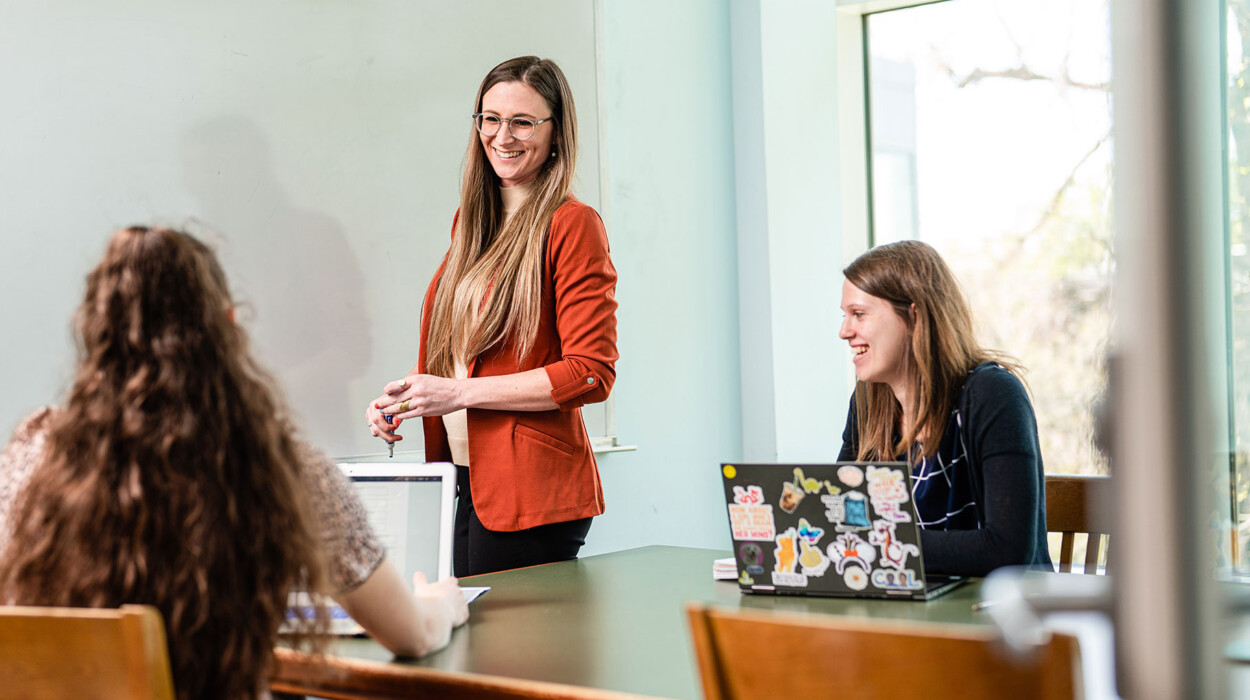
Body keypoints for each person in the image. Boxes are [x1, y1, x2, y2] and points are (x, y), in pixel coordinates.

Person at [0, 227, 468, 700]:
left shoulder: (33, 449)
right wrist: (441, 604)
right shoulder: (279, 465)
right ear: (226, 325)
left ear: (96, 330)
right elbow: (412, 635)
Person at [366, 56, 618, 577]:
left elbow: (591, 372)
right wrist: (408, 398)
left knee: (505, 658)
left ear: (555, 133)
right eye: (490, 118)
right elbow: (464, 359)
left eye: (523, 121)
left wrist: (457, 394)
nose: (503, 136)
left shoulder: (573, 225)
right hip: (461, 477)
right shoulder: (472, 222)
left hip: (529, 492)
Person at [835, 240, 1052, 577]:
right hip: (907, 607)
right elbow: (843, 521)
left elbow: (1008, 550)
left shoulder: (993, 395)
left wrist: (882, 546)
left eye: (859, 314)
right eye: (845, 316)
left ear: (914, 316)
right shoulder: (867, 402)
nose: (844, 332)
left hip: (998, 614)